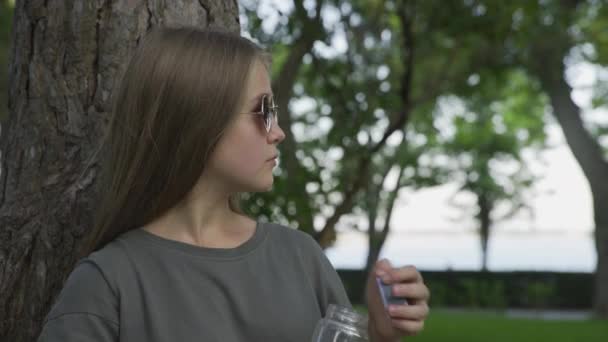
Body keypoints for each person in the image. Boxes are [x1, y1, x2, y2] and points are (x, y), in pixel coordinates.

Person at [37, 27, 429, 342]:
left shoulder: (301, 258)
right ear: (197, 120)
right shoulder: (107, 283)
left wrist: (381, 334)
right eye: (263, 111)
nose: (279, 133)